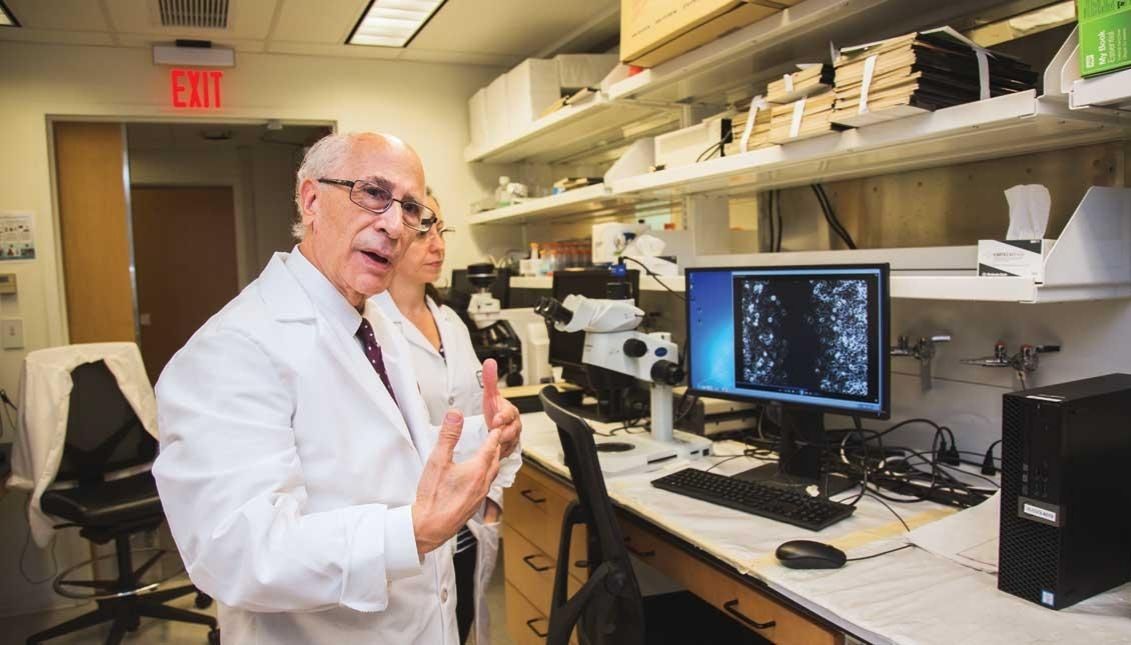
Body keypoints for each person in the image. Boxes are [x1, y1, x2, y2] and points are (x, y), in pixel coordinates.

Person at [152, 132, 522, 644]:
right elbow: (237, 554)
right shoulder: (232, 349)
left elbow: (391, 453)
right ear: (310, 200)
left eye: (411, 207)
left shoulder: (375, 323)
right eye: (372, 193)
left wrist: (489, 435)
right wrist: (410, 534)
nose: (395, 225)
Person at [374, 190, 520, 645]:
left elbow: (482, 413)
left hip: (468, 524)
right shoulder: (371, 327)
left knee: (459, 627)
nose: (437, 245)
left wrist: (491, 500)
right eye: (422, 233)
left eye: (441, 231)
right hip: (409, 534)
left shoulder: (450, 321)